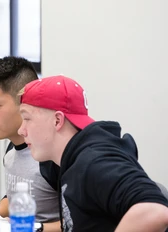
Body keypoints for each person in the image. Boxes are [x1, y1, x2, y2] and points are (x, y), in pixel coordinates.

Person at [18, 75, 168, 231]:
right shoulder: (69, 160)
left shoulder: (95, 161)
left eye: (26, 118)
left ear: (57, 120)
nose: (21, 130)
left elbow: (154, 211)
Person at [0, 56, 61, 231]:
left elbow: (76, 221)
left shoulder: (52, 156)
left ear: (24, 102)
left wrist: (35, 229)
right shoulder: (12, 147)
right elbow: (16, 195)